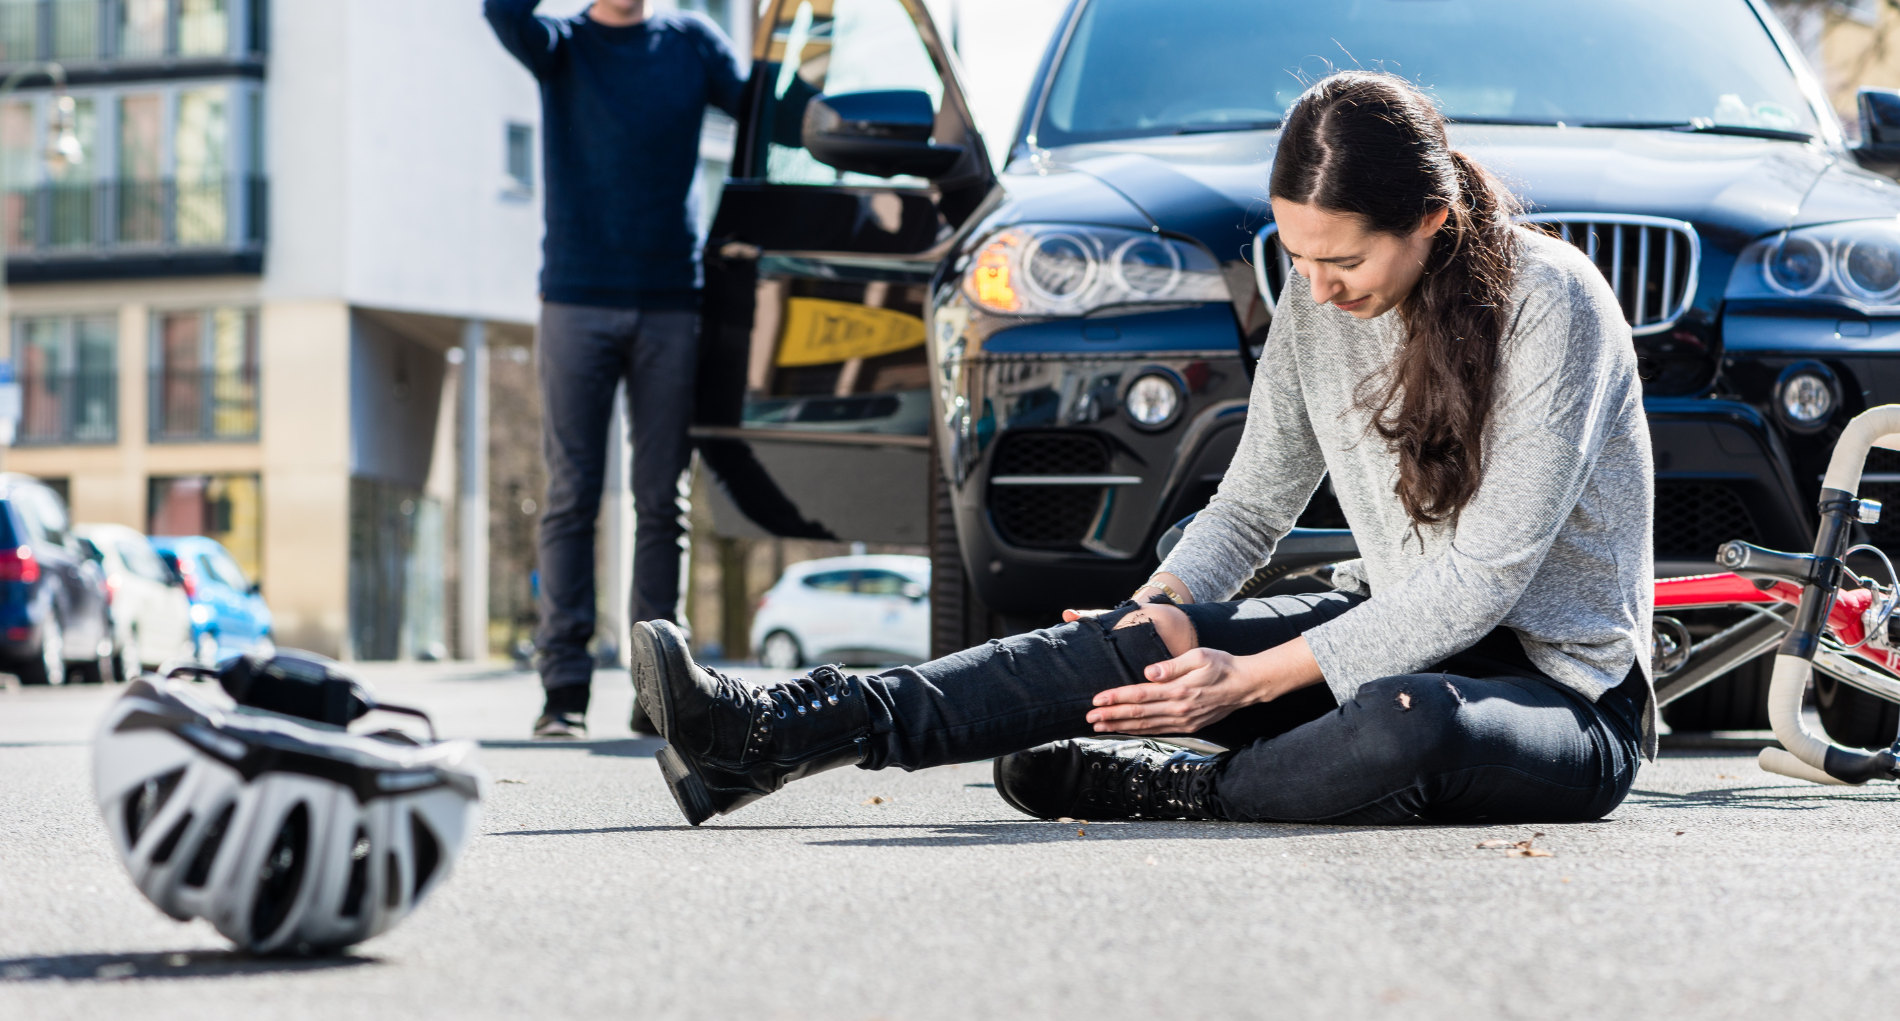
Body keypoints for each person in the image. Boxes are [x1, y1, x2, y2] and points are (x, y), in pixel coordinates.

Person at [630, 70, 1657, 826]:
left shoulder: (1550, 303)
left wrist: (1246, 682)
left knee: (1407, 719)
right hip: (1395, 627)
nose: (1318, 284)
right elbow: (1252, 506)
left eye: (1341, 259)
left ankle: (1184, 788)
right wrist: (1153, 613)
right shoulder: (1315, 297)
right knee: (1149, 637)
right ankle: (774, 736)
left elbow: (1483, 581)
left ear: (1430, 218)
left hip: (1562, 699)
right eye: (1295, 255)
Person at [485, 0, 745, 739]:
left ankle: (655, 689)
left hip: (671, 301)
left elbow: (762, 104)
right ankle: (562, 691)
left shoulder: (689, 46)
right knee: (569, 498)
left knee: (660, 503)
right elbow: (501, 4)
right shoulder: (560, 46)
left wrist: (798, 7)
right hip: (575, 301)